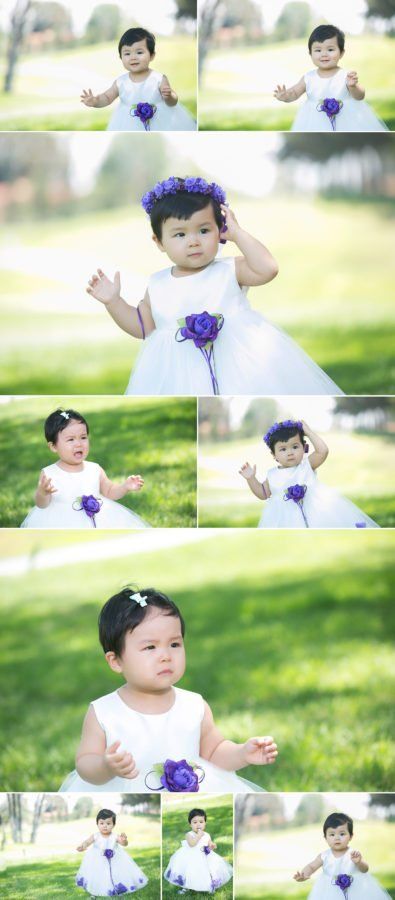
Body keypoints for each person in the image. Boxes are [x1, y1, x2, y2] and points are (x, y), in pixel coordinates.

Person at [86, 176, 343, 396]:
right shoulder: (157, 284)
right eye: (180, 234)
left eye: (204, 230)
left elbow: (268, 269)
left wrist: (238, 233)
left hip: (241, 367)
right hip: (181, 373)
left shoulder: (230, 269)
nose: (194, 241)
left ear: (220, 229)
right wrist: (114, 302)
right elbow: (144, 328)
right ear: (159, 242)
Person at [60, 588, 278, 793]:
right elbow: (85, 762)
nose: (165, 655)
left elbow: (214, 751)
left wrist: (243, 753)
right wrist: (105, 766)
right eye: (150, 647)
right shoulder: (104, 712)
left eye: (174, 644)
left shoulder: (193, 705)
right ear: (116, 660)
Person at [21, 408, 150, 529]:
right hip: (61, 522)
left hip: (97, 520)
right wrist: (43, 493)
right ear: (53, 446)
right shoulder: (49, 473)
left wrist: (125, 486)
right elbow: (42, 504)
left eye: (83, 437)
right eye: (70, 439)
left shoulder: (94, 469)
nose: (78, 443)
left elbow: (110, 491)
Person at [240, 419, 379, 528]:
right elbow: (263, 494)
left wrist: (309, 432)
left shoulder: (306, 465)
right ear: (274, 455)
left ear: (304, 447)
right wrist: (251, 479)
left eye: (295, 447)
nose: (290, 452)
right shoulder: (272, 474)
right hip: (285, 519)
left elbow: (323, 451)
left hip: (317, 513)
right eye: (283, 449)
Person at [274, 24, 388, 132]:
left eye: (330, 50)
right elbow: (294, 92)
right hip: (314, 123)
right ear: (310, 54)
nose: (324, 54)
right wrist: (285, 96)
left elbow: (360, 96)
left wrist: (353, 86)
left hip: (347, 123)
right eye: (318, 50)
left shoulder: (345, 75)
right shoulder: (308, 77)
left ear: (341, 53)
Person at [81, 27, 196, 131]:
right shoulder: (120, 82)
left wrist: (170, 96)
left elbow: (172, 102)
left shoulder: (158, 79)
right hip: (128, 125)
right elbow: (107, 97)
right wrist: (96, 101)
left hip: (161, 123)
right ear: (121, 57)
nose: (133, 57)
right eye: (127, 53)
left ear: (151, 55)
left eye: (139, 52)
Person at [293, 811, 391, 898]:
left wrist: (359, 862)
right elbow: (311, 866)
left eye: (342, 834)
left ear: (351, 836)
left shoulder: (353, 854)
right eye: (332, 834)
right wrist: (304, 874)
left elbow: (365, 870)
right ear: (325, 838)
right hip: (329, 891)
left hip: (356, 891)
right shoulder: (324, 856)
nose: (337, 838)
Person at [75, 807, 148, 896]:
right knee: (98, 874)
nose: (105, 826)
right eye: (101, 823)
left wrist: (124, 840)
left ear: (113, 825)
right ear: (97, 824)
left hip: (115, 859)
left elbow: (124, 844)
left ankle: (115, 887)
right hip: (97, 859)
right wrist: (83, 846)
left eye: (108, 823)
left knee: (115, 873)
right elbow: (87, 842)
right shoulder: (95, 836)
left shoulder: (114, 836)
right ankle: (98, 888)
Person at [164, 807, 233, 894]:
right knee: (189, 872)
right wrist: (199, 836)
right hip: (191, 858)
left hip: (204, 857)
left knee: (207, 871)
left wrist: (212, 845)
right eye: (195, 822)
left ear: (205, 823)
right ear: (190, 824)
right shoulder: (189, 835)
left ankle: (208, 886)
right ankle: (186, 887)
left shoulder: (207, 834)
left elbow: (209, 843)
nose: (198, 825)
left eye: (201, 822)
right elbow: (192, 844)